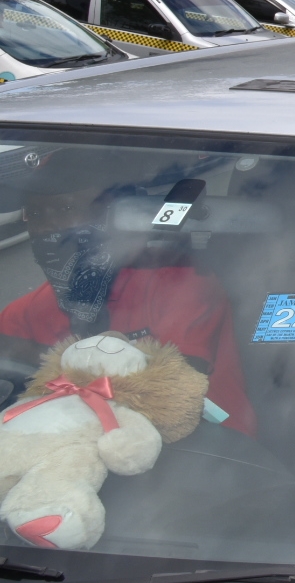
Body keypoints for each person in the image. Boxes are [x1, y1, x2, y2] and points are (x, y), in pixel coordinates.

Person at [0, 150, 256, 435]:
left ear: (116, 213)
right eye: (36, 214)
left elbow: (171, 392)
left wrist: (46, 363)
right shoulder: (25, 312)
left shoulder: (180, 283)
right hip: (74, 453)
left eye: (64, 210)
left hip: (210, 448)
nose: (47, 228)